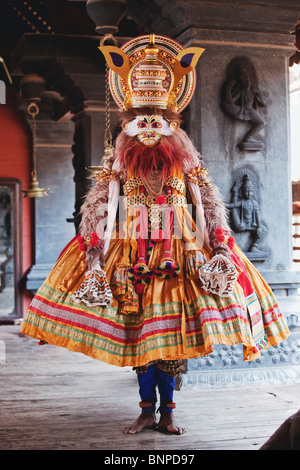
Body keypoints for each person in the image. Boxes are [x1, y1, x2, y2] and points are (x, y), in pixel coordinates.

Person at [21, 34, 290, 435]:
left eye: (157, 121)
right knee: (139, 336)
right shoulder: (121, 156)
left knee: (171, 340)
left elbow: (205, 202)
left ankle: (167, 412)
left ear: (171, 120)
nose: (149, 128)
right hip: (130, 252)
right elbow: (106, 202)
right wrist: (98, 243)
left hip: (180, 251)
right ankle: (147, 408)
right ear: (129, 120)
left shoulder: (185, 160)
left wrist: (217, 241)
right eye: (141, 120)